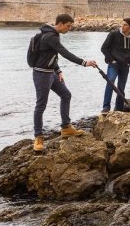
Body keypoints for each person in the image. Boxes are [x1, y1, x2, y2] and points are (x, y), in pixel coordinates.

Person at [31, 14, 97, 152]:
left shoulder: (53, 35)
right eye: (68, 26)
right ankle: (38, 137)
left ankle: (66, 127)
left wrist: (58, 71)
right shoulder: (50, 37)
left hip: (52, 73)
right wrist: (84, 63)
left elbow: (51, 56)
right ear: (60, 24)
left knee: (66, 95)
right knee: (41, 105)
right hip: (42, 74)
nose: (69, 28)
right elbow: (64, 53)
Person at [100, 18, 130, 113]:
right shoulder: (113, 34)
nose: (122, 26)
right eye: (122, 24)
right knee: (110, 82)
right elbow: (104, 48)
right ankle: (106, 107)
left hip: (125, 66)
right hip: (114, 64)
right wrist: (111, 60)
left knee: (121, 87)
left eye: (125, 25)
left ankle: (119, 108)